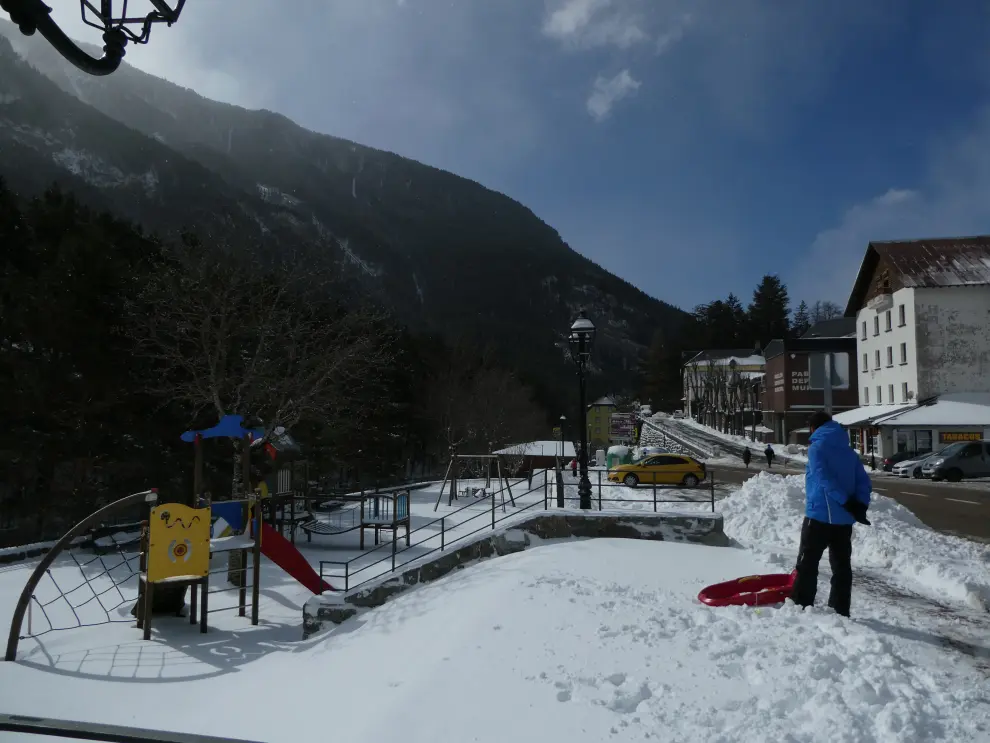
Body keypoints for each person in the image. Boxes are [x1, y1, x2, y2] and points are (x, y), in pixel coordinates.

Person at [790, 411, 872, 617]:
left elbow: (823, 478)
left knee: (808, 563)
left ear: (813, 428)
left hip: (818, 516)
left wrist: (845, 500)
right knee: (842, 567)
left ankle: (802, 605)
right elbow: (863, 481)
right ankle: (840, 609)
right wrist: (859, 504)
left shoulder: (816, 448)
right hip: (844, 520)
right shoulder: (849, 452)